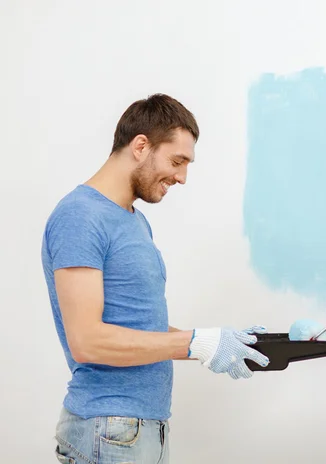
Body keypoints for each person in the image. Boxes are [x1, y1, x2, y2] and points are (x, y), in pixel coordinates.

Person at [41, 94, 270, 464]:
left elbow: (137, 326)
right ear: (141, 145)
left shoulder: (133, 220)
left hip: (140, 429)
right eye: (177, 161)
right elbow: (87, 341)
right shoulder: (80, 217)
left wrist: (217, 345)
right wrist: (195, 343)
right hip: (108, 429)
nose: (182, 177)